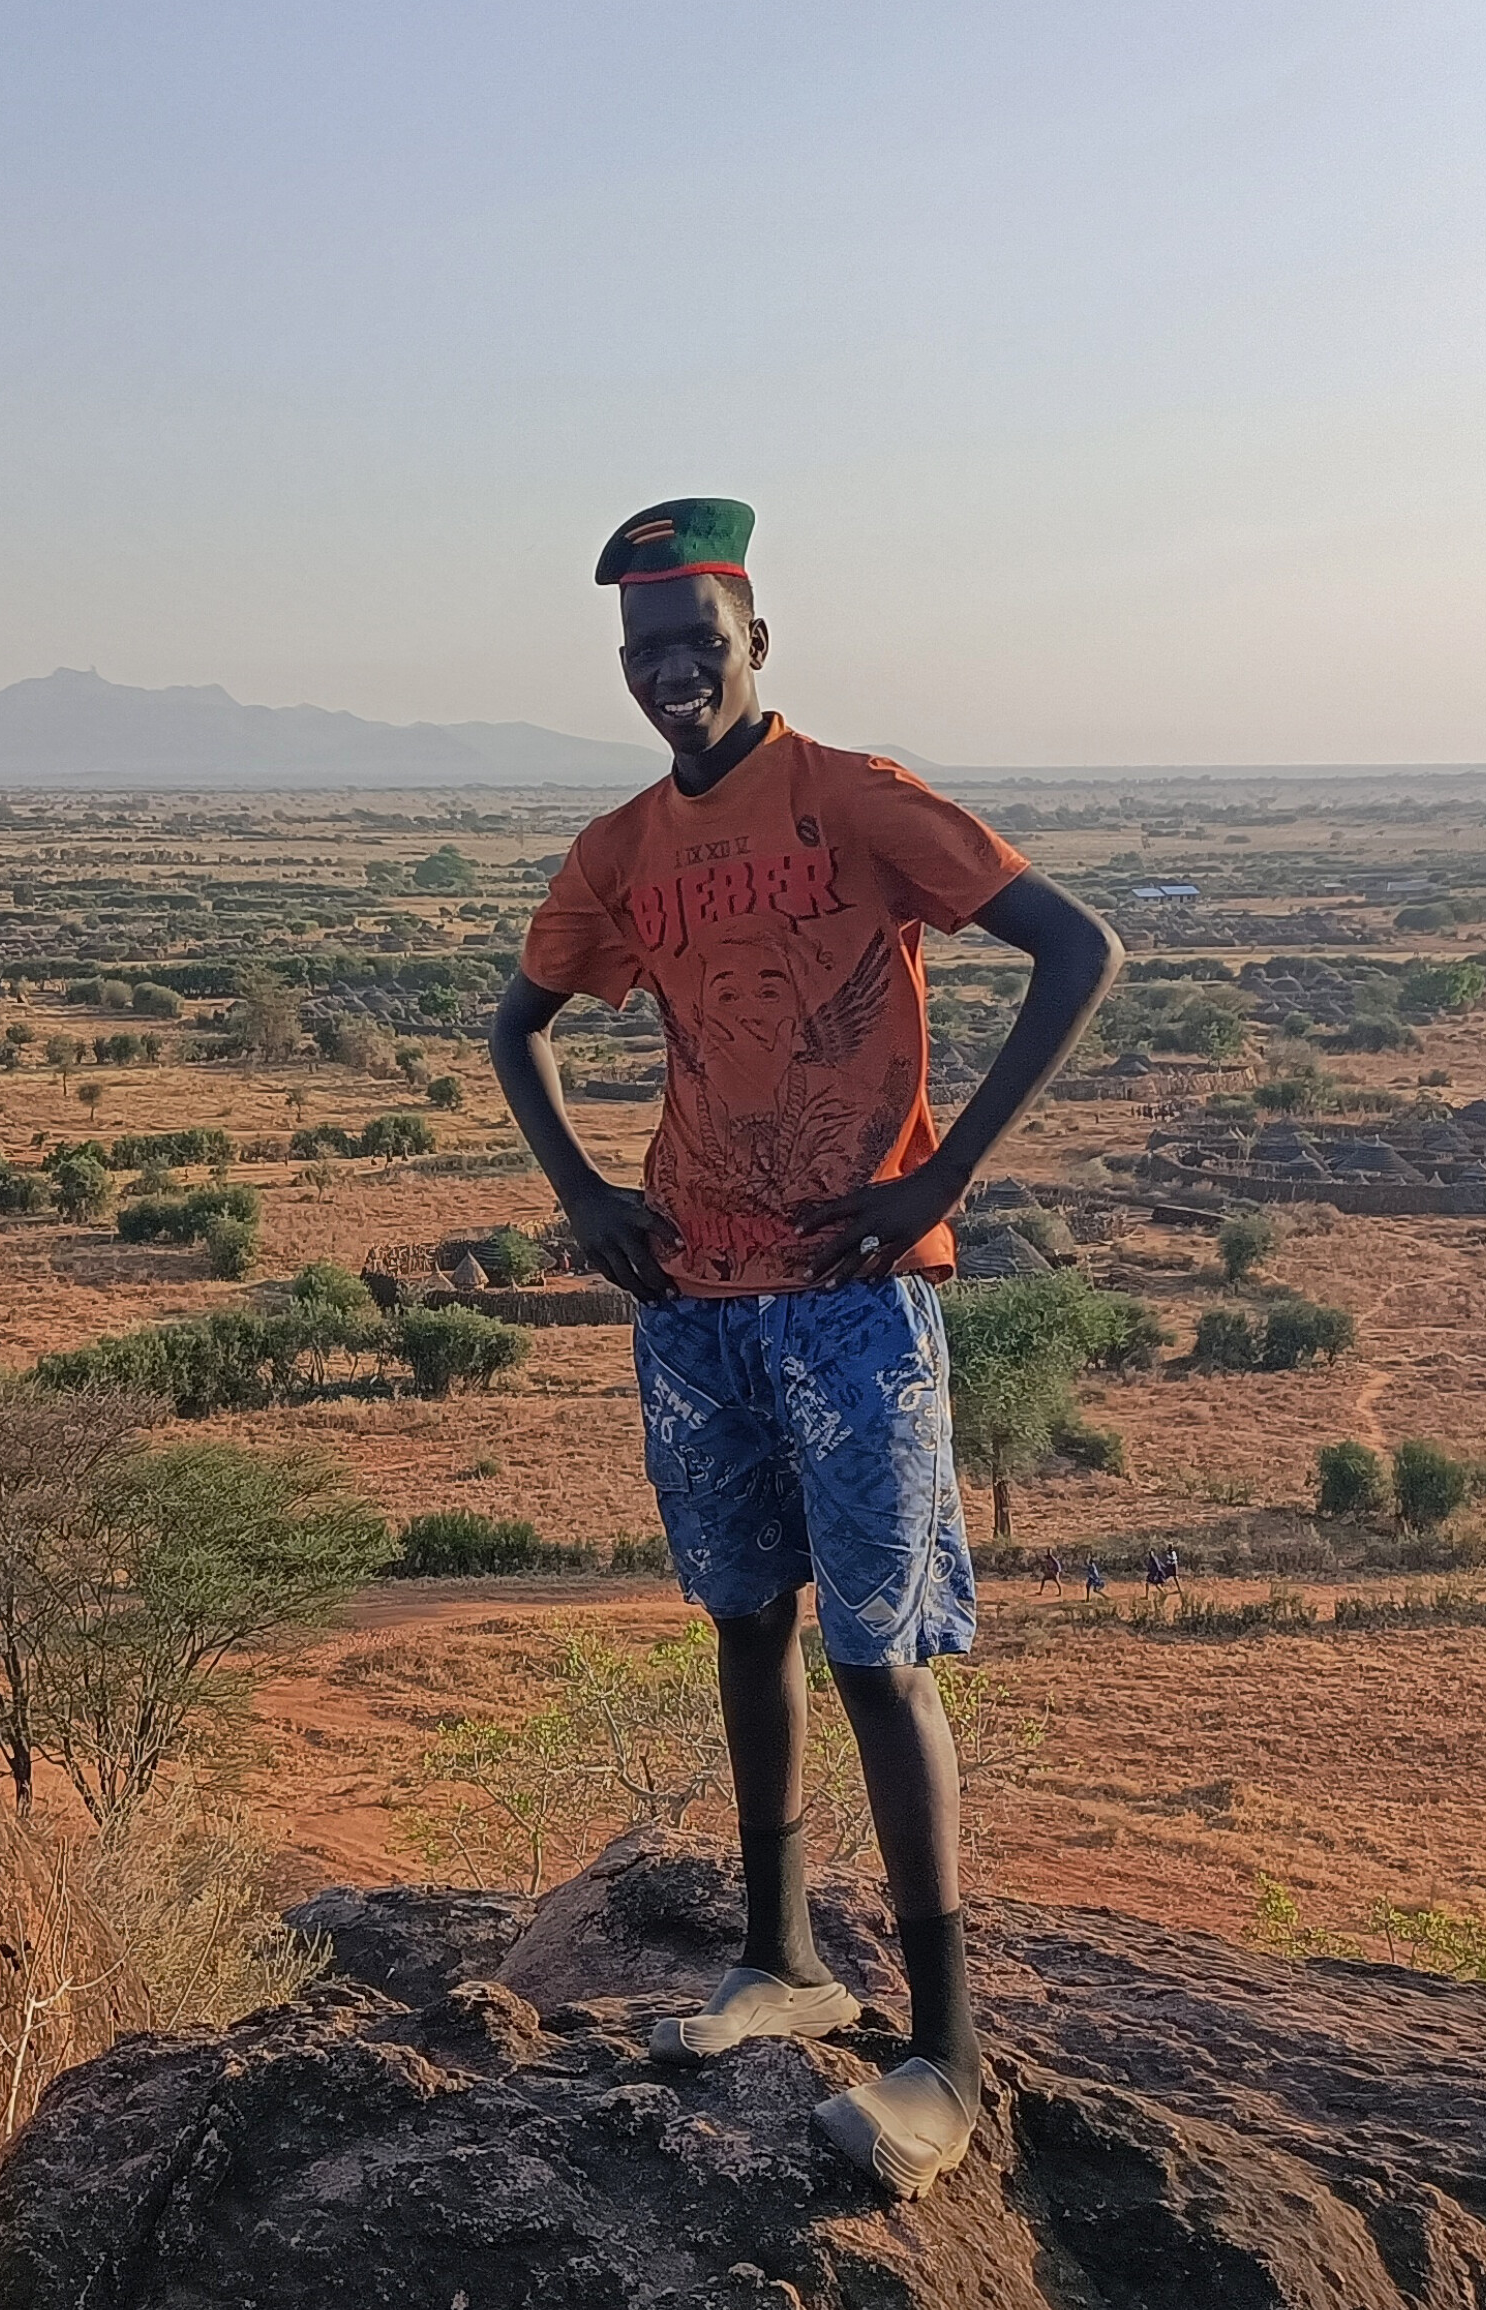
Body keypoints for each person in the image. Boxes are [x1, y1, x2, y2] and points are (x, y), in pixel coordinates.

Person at [492, 498, 1120, 2199]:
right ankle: (783, 1957)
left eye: (700, 642)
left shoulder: (856, 798)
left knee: (876, 1647)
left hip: (853, 1295)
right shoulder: (623, 849)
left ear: (759, 641)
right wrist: (590, 1204)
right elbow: (518, 1022)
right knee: (742, 1618)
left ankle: (950, 2052)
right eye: (646, 654)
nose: (673, 674)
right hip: (695, 1295)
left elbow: (1076, 948)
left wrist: (941, 1169)